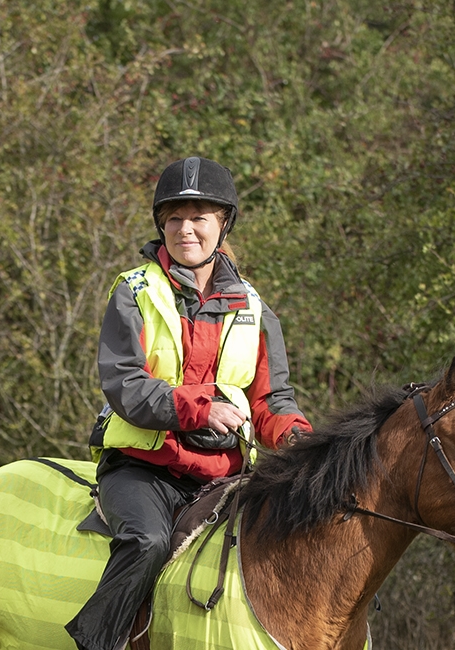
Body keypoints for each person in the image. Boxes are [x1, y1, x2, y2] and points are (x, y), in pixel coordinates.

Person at [66, 157, 314, 650]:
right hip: (143, 468)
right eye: (175, 217)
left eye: (200, 217)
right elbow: (124, 383)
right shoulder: (134, 290)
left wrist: (301, 440)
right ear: (162, 224)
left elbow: (271, 399)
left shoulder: (254, 306)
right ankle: (98, 642)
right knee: (147, 542)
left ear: (223, 225)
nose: (186, 229)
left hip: (225, 473)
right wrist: (201, 409)